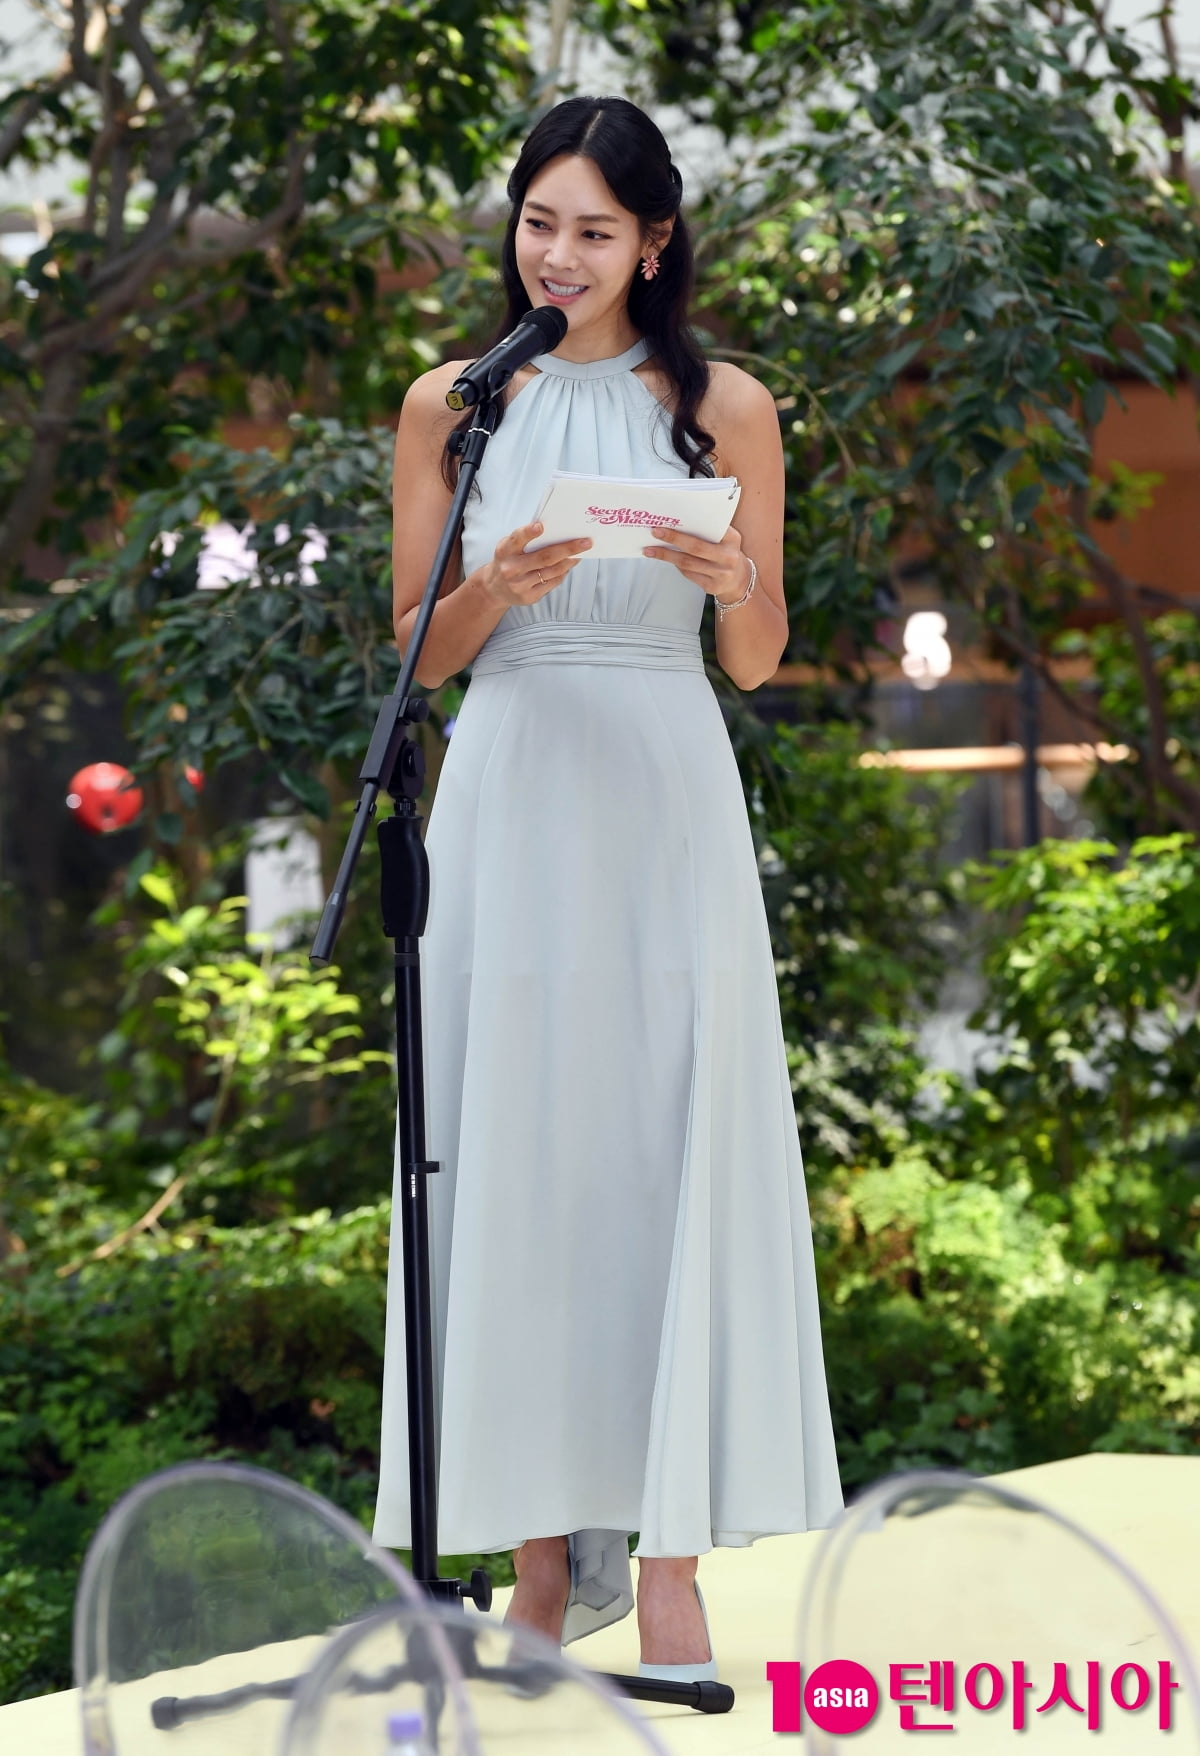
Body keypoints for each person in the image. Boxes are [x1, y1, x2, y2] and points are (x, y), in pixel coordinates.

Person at [372, 94, 843, 1683]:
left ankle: (672, 1571)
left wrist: (735, 579)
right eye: (538, 223)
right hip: (511, 784)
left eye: (593, 230)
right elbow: (417, 655)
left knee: (667, 1144)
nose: (558, 256)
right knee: (514, 1146)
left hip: (662, 787)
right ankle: (533, 1564)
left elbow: (757, 660)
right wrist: (491, 589)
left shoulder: (728, 406)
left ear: (653, 242)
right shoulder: (452, 405)